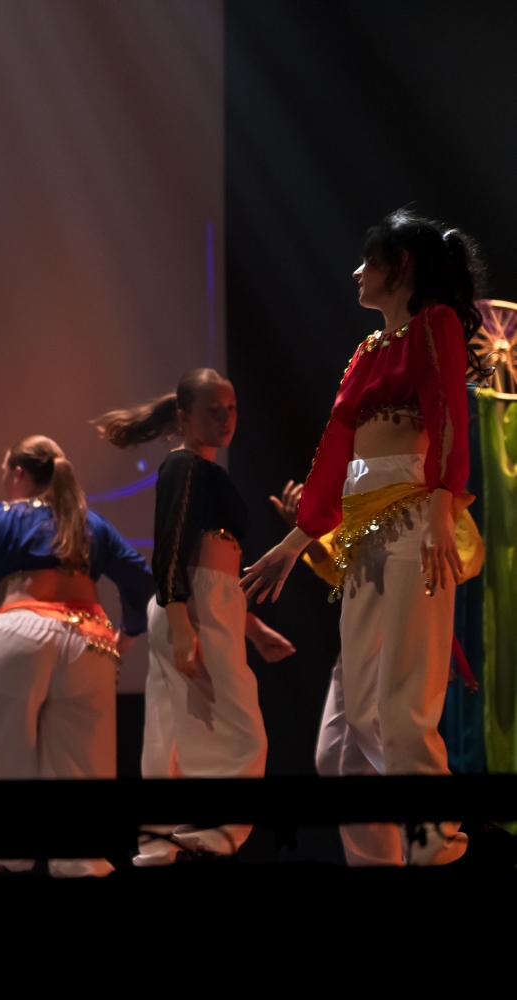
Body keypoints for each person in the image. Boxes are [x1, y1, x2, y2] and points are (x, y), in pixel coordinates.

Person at [242, 209, 485, 867]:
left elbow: (449, 413)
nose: (355, 271)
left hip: (412, 528)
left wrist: (442, 502)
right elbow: (334, 455)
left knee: (403, 712)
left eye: (368, 261)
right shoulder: (368, 351)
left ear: (401, 266)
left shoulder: (433, 325)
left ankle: (437, 848)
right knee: (351, 734)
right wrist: (295, 541)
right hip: (364, 542)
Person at [0, 436, 153, 878]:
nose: (3, 480)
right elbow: (141, 580)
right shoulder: (90, 522)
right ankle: (81, 861)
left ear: (19, 473)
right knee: (83, 772)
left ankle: (1, 856)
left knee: (0, 763)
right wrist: (130, 632)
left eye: (5, 471)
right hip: (90, 642)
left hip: (20, 633)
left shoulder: (1, 516)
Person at [98, 369, 296, 866]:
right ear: (185, 417)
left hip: (203, 603)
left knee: (167, 735)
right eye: (213, 410)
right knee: (242, 731)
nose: (226, 418)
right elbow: (170, 551)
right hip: (191, 605)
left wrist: (253, 628)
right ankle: (212, 832)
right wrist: (183, 625)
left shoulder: (201, 469)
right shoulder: (183, 466)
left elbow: (208, 570)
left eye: (232, 408)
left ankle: (159, 845)